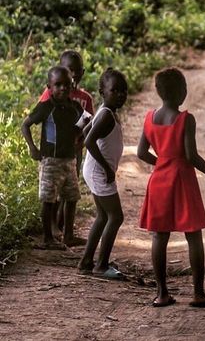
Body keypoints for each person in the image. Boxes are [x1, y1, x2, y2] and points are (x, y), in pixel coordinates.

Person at [137, 67, 205, 308]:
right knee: (193, 235)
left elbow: (140, 153)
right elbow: (191, 156)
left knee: (159, 236)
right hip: (182, 181)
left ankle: (161, 293)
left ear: (158, 91)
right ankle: (198, 293)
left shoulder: (149, 118)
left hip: (159, 181)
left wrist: (162, 162)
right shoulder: (185, 119)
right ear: (182, 91)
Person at [21, 66, 85, 249]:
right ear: (49, 86)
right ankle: (47, 238)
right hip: (50, 161)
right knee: (48, 199)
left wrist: (81, 140)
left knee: (72, 198)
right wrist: (33, 148)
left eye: (66, 84)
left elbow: (87, 123)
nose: (63, 88)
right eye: (58, 85)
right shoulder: (45, 107)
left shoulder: (75, 107)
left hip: (70, 160)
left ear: (72, 85)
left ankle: (69, 236)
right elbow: (25, 125)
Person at [78, 68, 128, 279]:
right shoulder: (106, 115)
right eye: (114, 90)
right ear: (102, 91)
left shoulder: (105, 111)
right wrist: (107, 168)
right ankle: (101, 265)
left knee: (102, 216)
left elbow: (86, 130)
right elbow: (88, 140)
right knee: (116, 217)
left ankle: (86, 261)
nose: (120, 95)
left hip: (94, 170)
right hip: (99, 172)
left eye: (123, 91)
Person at [39, 50, 94, 234]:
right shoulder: (50, 94)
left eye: (77, 70)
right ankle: (53, 227)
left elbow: (89, 122)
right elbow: (42, 116)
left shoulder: (85, 98)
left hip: (74, 151)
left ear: (82, 72)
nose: (73, 74)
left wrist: (81, 143)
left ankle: (63, 227)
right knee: (52, 191)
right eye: (69, 69)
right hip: (54, 152)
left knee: (70, 189)